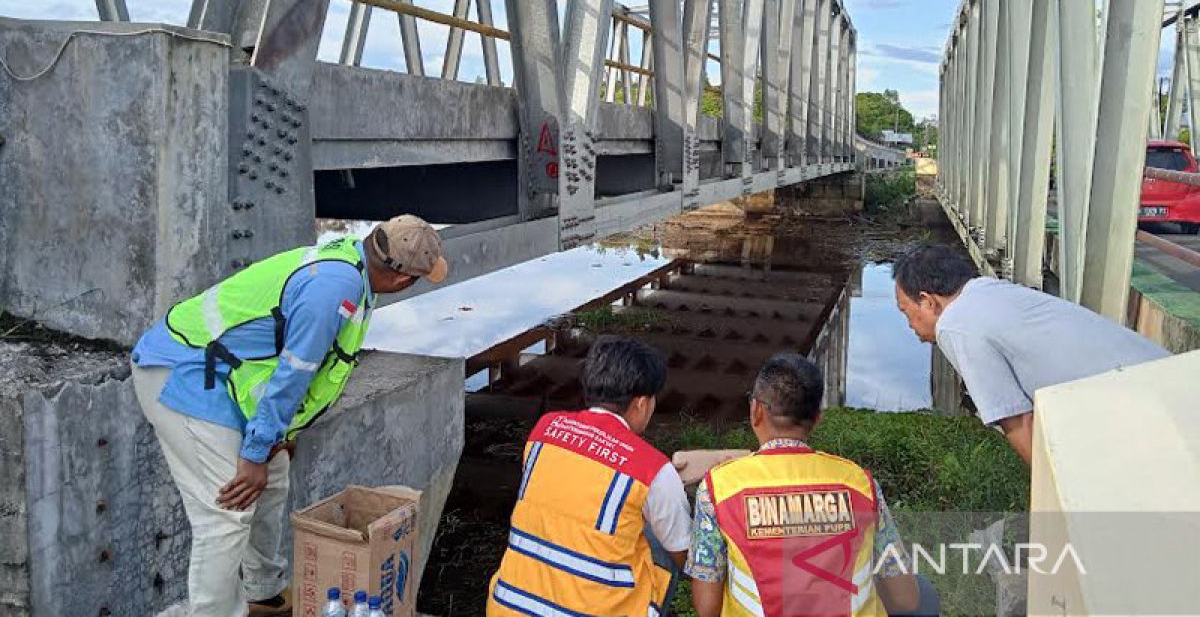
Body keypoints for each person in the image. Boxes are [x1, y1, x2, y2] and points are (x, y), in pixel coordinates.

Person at [131, 216, 448, 617]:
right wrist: (254, 451)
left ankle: (262, 591)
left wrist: (281, 434)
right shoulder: (334, 290)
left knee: (273, 476)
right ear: (403, 281)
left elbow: (296, 366)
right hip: (187, 374)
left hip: (223, 377)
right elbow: (295, 371)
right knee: (227, 512)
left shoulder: (353, 265)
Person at [687, 354, 935, 616]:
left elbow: (707, 607)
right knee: (924, 594)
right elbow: (906, 599)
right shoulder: (859, 484)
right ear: (817, 418)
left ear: (756, 410)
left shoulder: (720, 487)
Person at [893, 244, 1169, 464]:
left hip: (1154, 417)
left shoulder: (955, 326)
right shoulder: (988, 291)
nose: (909, 326)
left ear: (928, 302)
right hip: (1169, 378)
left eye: (906, 312)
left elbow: (1021, 423)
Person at [487, 336, 692, 617]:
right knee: (660, 539)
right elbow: (685, 556)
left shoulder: (544, 431)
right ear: (642, 403)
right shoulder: (652, 468)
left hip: (508, 607)